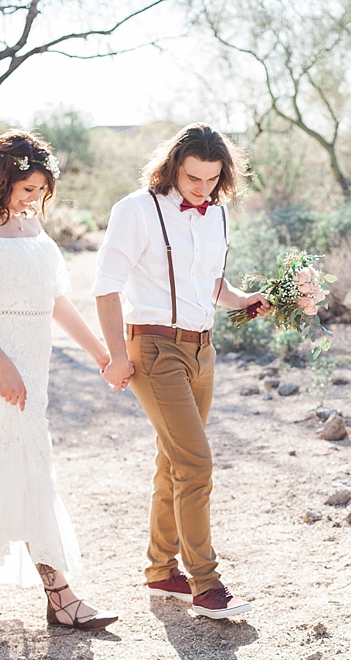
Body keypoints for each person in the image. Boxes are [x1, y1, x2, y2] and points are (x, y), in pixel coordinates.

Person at [0, 130, 118, 631]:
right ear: (1, 178)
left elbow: (57, 303)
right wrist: (4, 367)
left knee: (2, 467)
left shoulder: (32, 229)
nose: (34, 199)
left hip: (35, 363)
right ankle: (60, 594)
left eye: (41, 191)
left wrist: (101, 352)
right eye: (26, 189)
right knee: (34, 466)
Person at [93, 123, 269, 619]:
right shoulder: (136, 210)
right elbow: (106, 287)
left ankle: (161, 570)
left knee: (174, 462)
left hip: (202, 351)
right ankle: (206, 585)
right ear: (173, 167)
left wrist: (247, 300)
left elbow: (212, 284)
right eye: (193, 177)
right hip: (153, 348)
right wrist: (117, 355)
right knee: (196, 465)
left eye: (212, 180)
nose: (202, 188)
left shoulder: (218, 214)